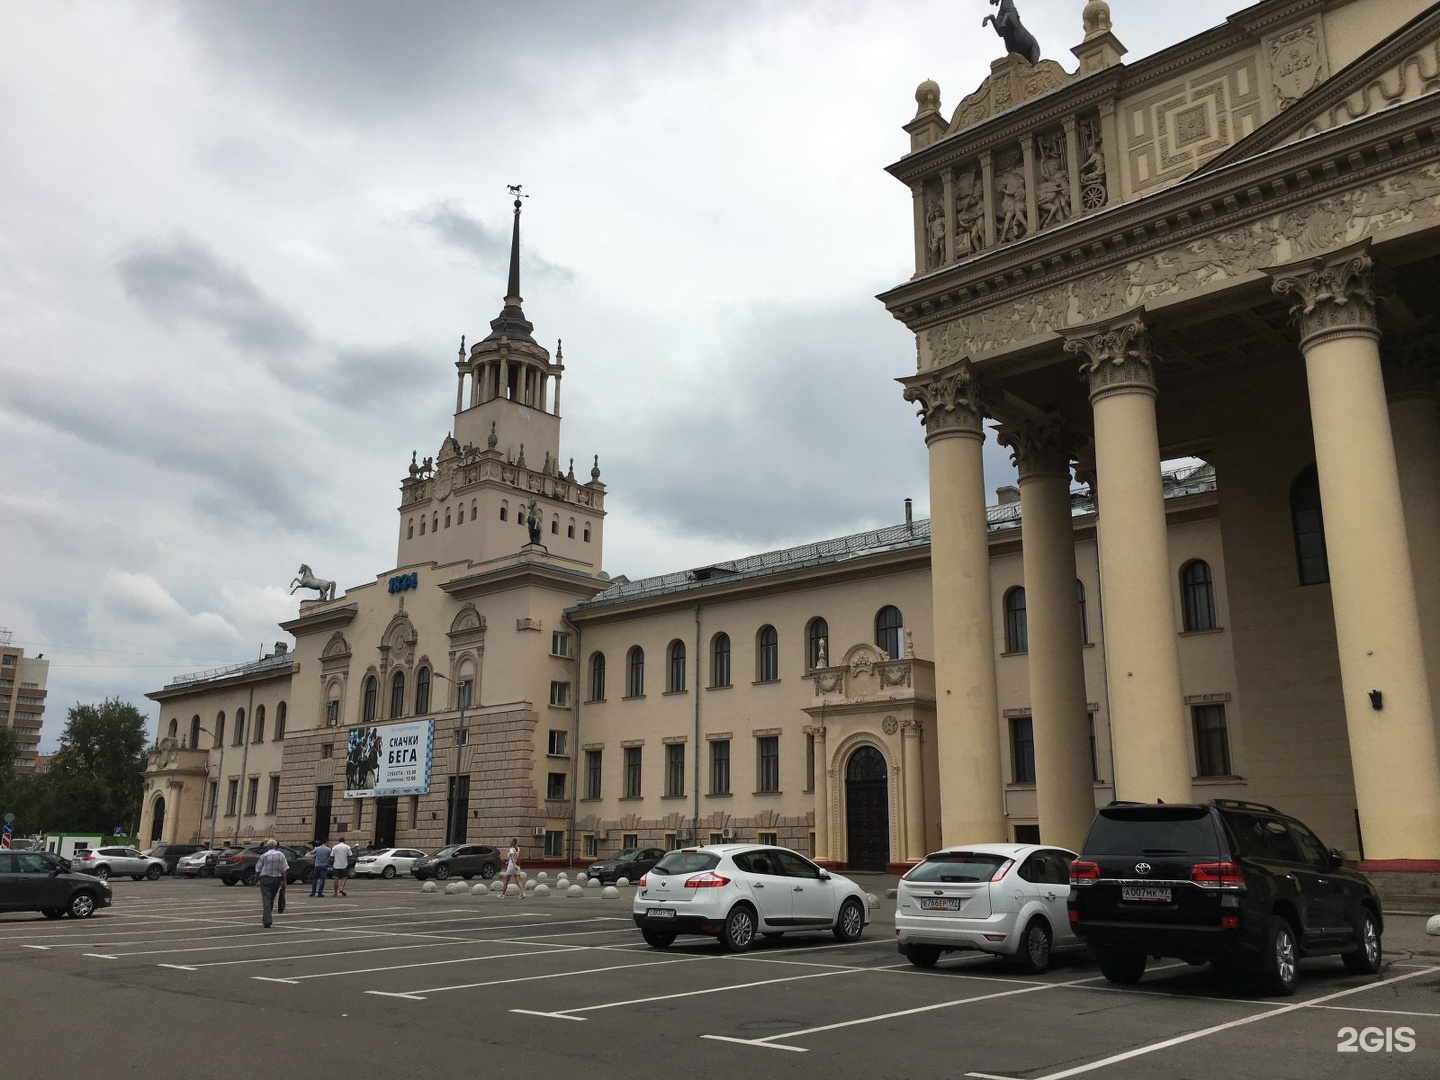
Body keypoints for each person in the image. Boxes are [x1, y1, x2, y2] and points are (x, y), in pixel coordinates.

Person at [255, 839, 288, 928]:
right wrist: (284, 881)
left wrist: (256, 878)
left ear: (268, 846)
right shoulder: (281, 855)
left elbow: (258, 868)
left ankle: (267, 920)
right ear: (276, 846)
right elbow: (284, 869)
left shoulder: (264, 856)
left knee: (266, 898)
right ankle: (267, 918)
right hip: (276, 879)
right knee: (271, 898)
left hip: (265, 878)